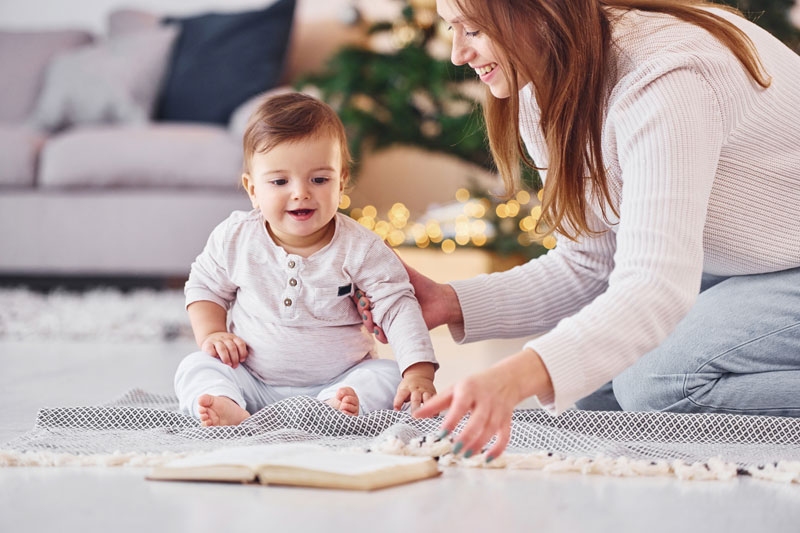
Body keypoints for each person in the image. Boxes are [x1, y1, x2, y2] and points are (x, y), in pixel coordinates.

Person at [357, 0, 800, 461]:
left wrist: (515, 378)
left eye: (473, 30)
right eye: (452, 28)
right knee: (598, 406)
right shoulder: (544, 85)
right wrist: (450, 302)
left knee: (655, 383)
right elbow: (590, 264)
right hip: (758, 265)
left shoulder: (664, 78)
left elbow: (655, 286)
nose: (456, 54)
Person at [174, 93, 438, 426]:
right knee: (196, 367)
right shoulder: (236, 237)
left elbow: (398, 306)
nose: (301, 192)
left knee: (385, 375)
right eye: (280, 181)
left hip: (339, 382)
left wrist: (418, 373)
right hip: (252, 382)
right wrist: (212, 333)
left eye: (319, 179)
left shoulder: (362, 248)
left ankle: (332, 411)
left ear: (341, 182)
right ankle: (228, 407)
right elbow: (204, 287)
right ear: (253, 189)